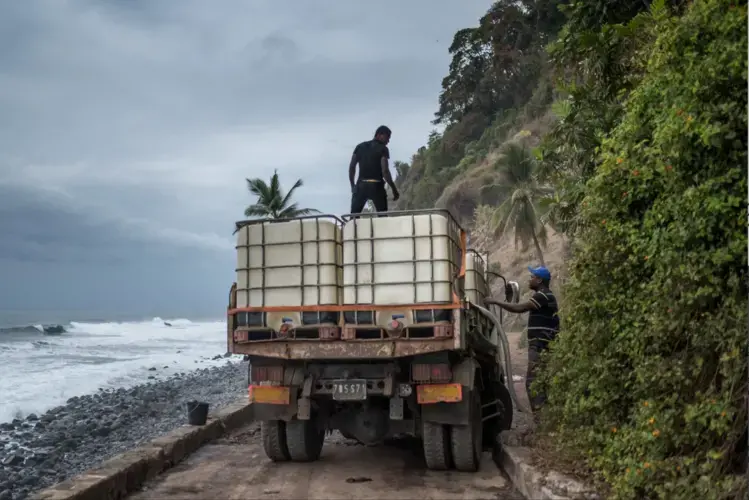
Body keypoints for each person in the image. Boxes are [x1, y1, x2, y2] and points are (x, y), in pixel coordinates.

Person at [485, 265, 559, 412]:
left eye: (532, 277)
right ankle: (545, 417)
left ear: (539, 280)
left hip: (540, 346)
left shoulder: (542, 296)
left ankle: (540, 420)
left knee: (533, 383)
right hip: (543, 345)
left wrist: (495, 302)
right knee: (541, 382)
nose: (529, 279)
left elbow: (519, 308)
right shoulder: (546, 295)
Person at [349, 125, 400, 213]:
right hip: (377, 186)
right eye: (387, 137)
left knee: (353, 218)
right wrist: (394, 189)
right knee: (382, 217)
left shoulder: (360, 147)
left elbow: (352, 167)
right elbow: (385, 171)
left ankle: (353, 226)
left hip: (361, 186)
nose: (388, 141)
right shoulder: (383, 149)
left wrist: (353, 185)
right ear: (379, 135)